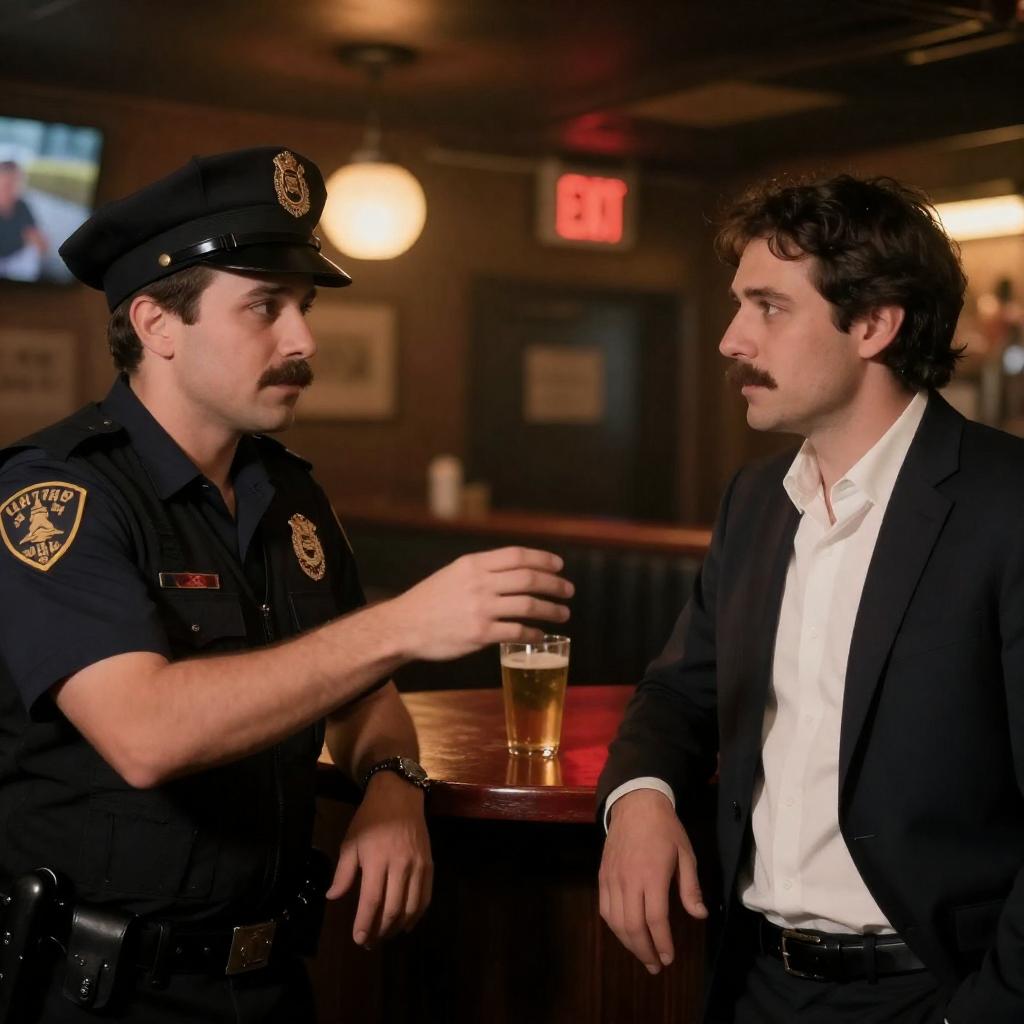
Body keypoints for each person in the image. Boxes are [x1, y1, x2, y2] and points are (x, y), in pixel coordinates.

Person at [0, 146, 573, 1023]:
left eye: (303, 307)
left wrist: (394, 784)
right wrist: (399, 625)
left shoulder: (290, 493)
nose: (304, 340)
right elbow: (144, 733)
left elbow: (363, 695)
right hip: (102, 993)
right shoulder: (56, 494)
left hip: (271, 980)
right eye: (265, 307)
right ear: (156, 323)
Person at [597, 173, 1024, 1023]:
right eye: (739, 305)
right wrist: (639, 798)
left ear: (873, 325)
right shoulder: (755, 500)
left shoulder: (1005, 504)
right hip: (751, 981)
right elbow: (677, 694)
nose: (731, 339)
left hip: (936, 993)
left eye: (769, 307)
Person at [0, 155, 48, 281]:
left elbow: (42, 245)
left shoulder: (22, 206)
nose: (14, 190)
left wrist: (37, 241)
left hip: (16, 263)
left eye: (17, 183)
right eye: (7, 185)